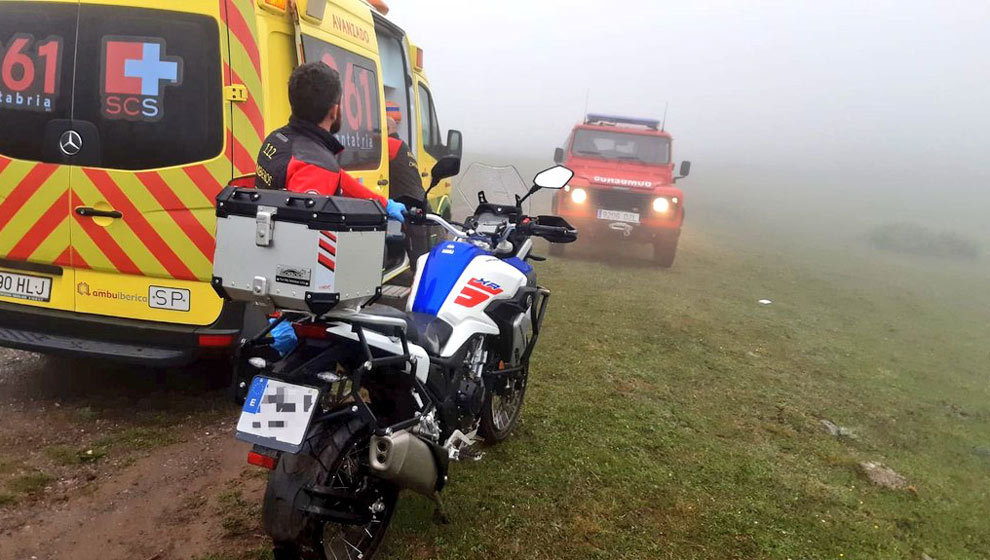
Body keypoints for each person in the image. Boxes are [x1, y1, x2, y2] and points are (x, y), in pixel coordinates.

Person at [255, 62, 406, 222]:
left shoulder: (276, 139)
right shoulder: (317, 165)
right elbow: (302, 231)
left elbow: (339, 178)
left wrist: (383, 204)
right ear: (334, 111)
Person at [384, 101, 432, 265]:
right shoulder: (402, 146)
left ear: (388, 130)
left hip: (410, 201)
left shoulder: (390, 144)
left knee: (418, 254)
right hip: (417, 198)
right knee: (419, 247)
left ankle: (420, 284)